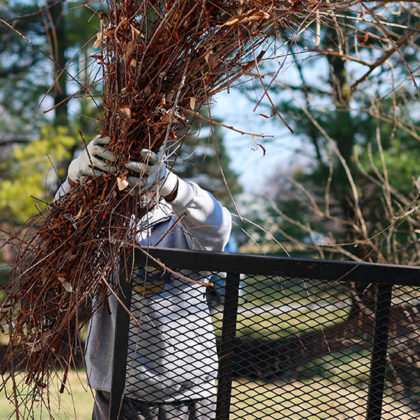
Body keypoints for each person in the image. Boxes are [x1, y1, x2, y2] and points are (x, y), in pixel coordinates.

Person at [56, 136, 232, 419]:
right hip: (117, 394)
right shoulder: (99, 225)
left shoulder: (181, 218)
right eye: (128, 171)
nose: (136, 180)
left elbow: (219, 228)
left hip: (188, 397)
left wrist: (172, 185)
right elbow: (55, 246)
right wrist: (73, 183)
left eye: (144, 169)